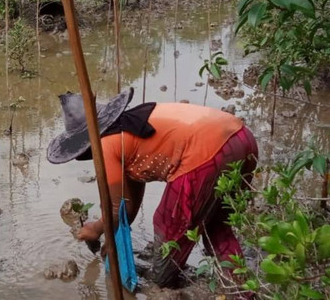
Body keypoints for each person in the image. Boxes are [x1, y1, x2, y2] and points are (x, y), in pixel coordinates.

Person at [47, 87, 258, 287]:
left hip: (206, 152)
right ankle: (240, 289)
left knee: (169, 222)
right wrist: (105, 234)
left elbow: (115, 207)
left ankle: (163, 280)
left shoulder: (106, 144)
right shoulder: (128, 128)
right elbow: (127, 206)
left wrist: (102, 236)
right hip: (241, 137)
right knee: (216, 226)